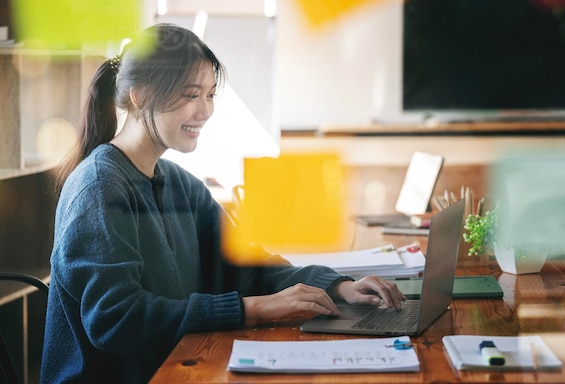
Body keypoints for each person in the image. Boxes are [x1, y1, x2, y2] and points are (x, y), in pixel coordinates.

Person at [40, 23, 406, 383]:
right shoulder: (99, 186)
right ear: (140, 96)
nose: (205, 111)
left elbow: (246, 265)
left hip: (182, 363)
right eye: (190, 94)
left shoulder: (181, 185)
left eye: (210, 94)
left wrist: (338, 287)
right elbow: (118, 319)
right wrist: (253, 308)